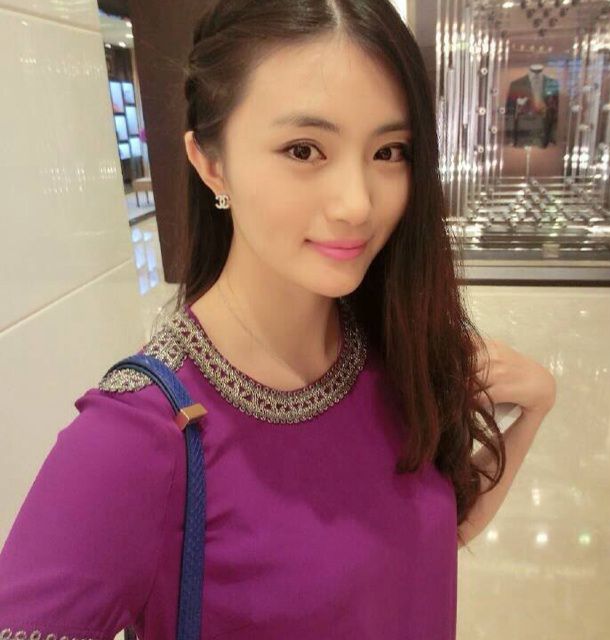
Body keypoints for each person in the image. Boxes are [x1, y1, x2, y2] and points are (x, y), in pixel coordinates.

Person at [0, 1, 557, 639]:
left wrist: (534, 411)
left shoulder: (392, 345)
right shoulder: (139, 439)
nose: (357, 204)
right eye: (304, 149)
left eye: (389, 151)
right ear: (210, 162)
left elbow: (422, 543)